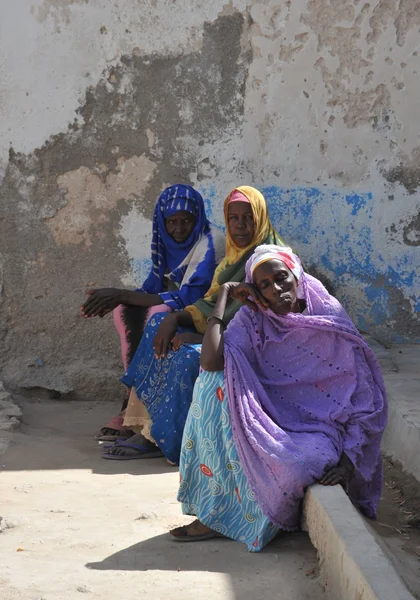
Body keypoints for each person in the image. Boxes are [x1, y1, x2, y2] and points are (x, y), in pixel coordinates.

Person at [170, 245, 387, 551]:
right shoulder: (253, 319)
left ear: (296, 275)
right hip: (267, 418)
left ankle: (255, 519)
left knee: (294, 469)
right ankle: (215, 511)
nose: (276, 289)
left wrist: (348, 463)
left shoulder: (328, 318)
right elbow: (211, 361)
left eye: (281, 278)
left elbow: (366, 403)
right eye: (264, 286)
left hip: (315, 429)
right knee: (212, 383)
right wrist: (225, 297)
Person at [102, 187, 287, 461]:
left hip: (251, 348)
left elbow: (258, 322)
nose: (240, 225)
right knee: (158, 325)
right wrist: (176, 318)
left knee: (187, 358)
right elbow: (211, 302)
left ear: (260, 219)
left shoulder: (268, 262)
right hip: (220, 332)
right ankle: (139, 422)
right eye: (233, 218)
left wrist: (200, 339)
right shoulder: (233, 258)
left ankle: (160, 438)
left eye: (248, 217)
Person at [80, 184, 225, 440]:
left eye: (186, 221)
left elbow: (190, 297)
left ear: (198, 218)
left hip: (204, 315)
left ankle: (140, 408)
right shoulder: (165, 240)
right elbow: (153, 286)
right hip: (179, 308)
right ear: (162, 221)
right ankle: (131, 400)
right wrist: (118, 300)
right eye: (172, 222)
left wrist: (121, 293)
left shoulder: (211, 241)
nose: (178, 229)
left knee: (155, 313)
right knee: (125, 311)